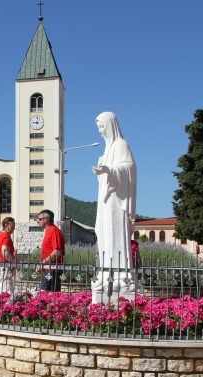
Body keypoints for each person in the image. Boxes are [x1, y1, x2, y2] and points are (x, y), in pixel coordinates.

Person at [91, 111, 137, 301]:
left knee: (115, 236)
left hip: (117, 203)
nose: (100, 131)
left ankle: (120, 277)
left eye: (102, 127)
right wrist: (103, 170)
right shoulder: (108, 148)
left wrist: (109, 170)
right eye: (98, 128)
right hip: (105, 201)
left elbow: (129, 169)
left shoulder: (121, 145)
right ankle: (105, 273)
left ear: (110, 125)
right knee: (102, 233)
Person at [38, 209, 65, 292]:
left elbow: (57, 252)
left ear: (46, 219)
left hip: (52, 269)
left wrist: (43, 262)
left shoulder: (54, 231)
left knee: (48, 295)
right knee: (45, 295)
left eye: (39, 219)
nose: (38, 221)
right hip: (48, 268)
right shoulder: (49, 231)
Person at [0, 217, 16, 295]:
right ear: (6, 225)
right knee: (7, 294)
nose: (14, 228)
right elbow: (5, 252)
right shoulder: (6, 236)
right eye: (12, 226)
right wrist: (14, 262)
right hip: (4, 268)